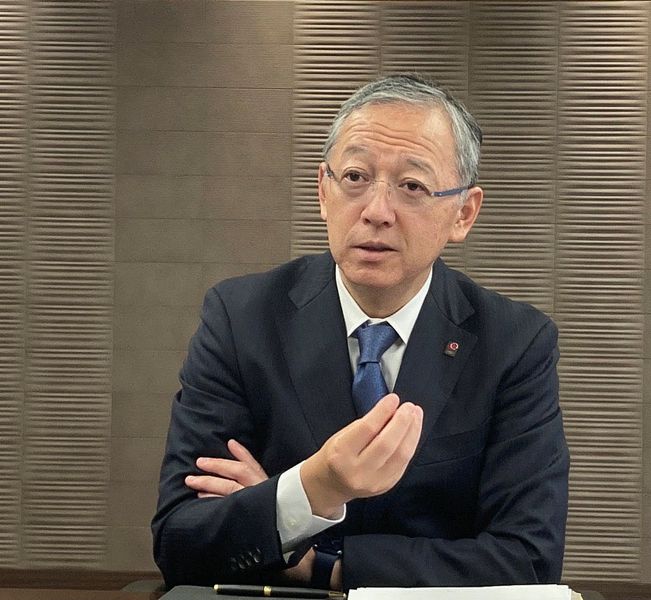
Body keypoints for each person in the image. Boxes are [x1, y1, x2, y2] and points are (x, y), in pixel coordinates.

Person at [151, 73, 569, 591]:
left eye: (412, 187)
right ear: (323, 192)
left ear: (463, 213)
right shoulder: (241, 319)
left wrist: (316, 558)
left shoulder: (515, 343)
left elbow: (528, 559)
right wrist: (314, 486)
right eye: (355, 178)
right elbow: (180, 538)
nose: (376, 212)